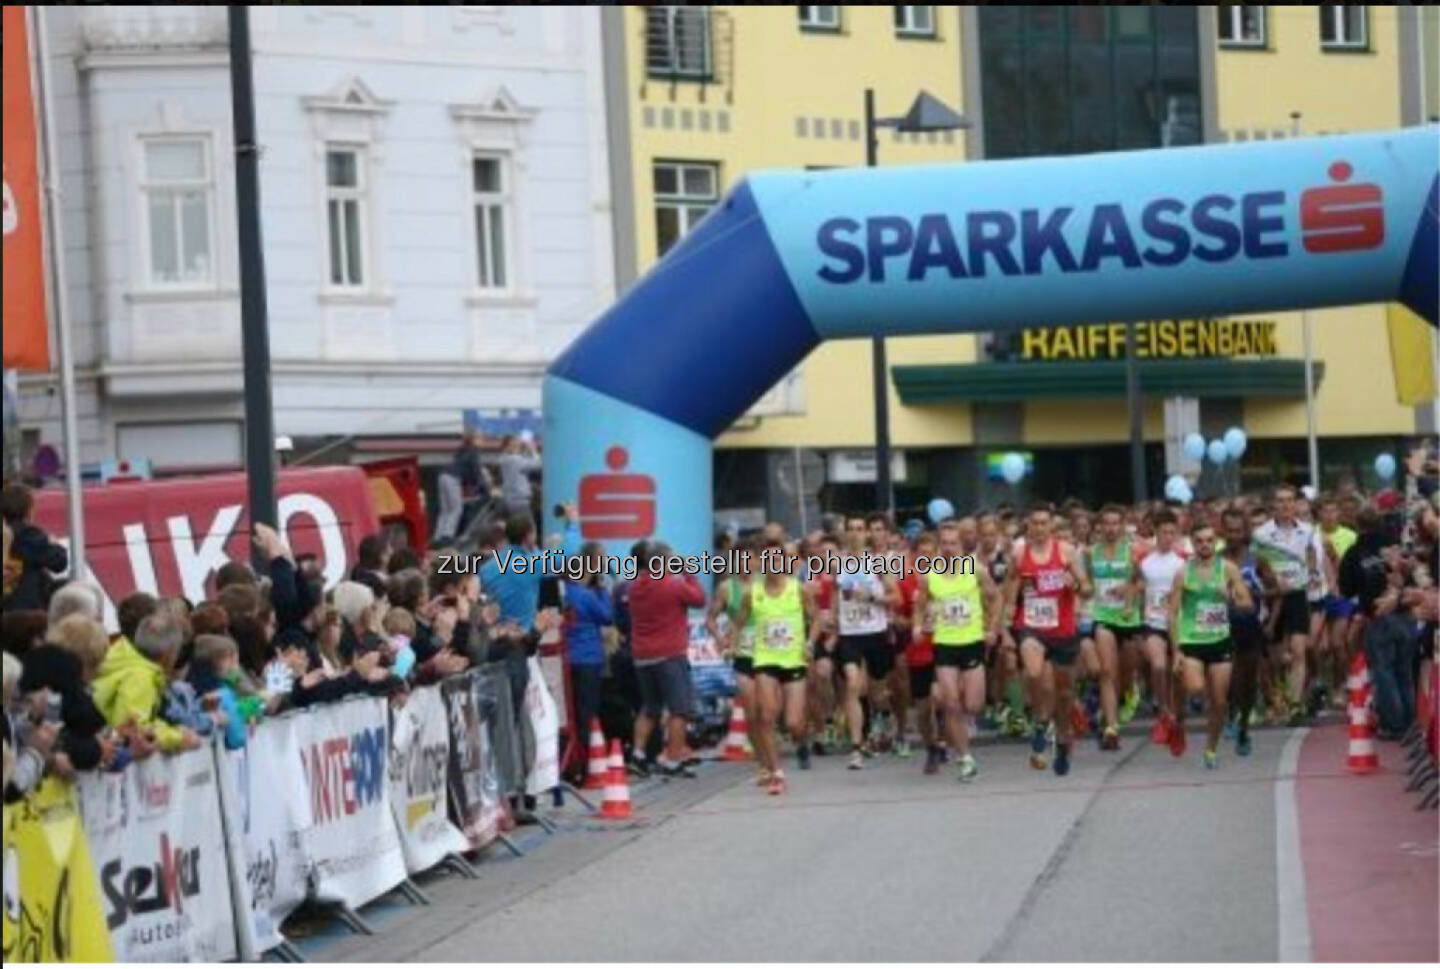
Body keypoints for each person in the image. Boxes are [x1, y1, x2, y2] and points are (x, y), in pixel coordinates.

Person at [1003, 505, 1091, 776]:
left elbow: (1087, 589)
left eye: (1044, 523)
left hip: (1062, 629)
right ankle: (1041, 720)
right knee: (1033, 671)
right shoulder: (1019, 555)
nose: (1039, 529)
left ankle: (1062, 740)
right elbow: (1008, 595)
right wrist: (1005, 629)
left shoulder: (1066, 552)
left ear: (1051, 526)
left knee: (1064, 693)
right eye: (1034, 524)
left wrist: (1073, 585)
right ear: (1027, 526)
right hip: (1031, 625)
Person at [915, 521, 1002, 781]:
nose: (949, 548)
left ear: (962, 546)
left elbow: (996, 598)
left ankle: (965, 727)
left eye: (954, 543)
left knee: (972, 704)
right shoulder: (929, 574)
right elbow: (920, 606)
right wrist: (918, 626)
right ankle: (965, 758)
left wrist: (993, 628)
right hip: (945, 643)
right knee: (950, 702)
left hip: (972, 640)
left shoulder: (975, 569)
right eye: (945, 543)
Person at [733, 538, 820, 794]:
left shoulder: (799, 589)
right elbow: (738, 623)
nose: (773, 564)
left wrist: (810, 644)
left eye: (777, 558)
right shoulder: (753, 593)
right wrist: (733, 645)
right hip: (765, 660)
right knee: (766, 715)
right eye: (767, 559)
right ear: (761, 563)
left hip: (793, 660)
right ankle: (776, 772)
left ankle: (801, 740)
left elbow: (815, 619)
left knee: (793, 722)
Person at [1168, 522, 1253, 768]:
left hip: (1220, 641)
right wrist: (1176, 651)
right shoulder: (1183, 573)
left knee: (1219, 701)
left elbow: (1248, 605)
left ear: (1215, 542)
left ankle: (1211, 749)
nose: (1204, 545)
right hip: (1192, 641)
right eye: (1199, 541)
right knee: (1195, 688)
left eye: (1209, 540)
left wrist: (1230, 598)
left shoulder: (1227, 569)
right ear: (1193, 544)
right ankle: (1183, 717)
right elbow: (1172, 614)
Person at [627, 542, 706, 776]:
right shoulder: (672, 585)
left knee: (650, 708)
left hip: (642, 656)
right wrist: (689, 574)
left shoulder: (634, 588)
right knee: (679, 710)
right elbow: (700, 600)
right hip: (670, 655)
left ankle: (638, 754)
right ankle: (672, 758)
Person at [1339, 508, 1414, 738]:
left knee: (1383, 671)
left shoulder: (1354, 553)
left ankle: (1394, 724)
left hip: (1377, 616)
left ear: (1357, 525)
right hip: (1405, 613)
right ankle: (1410, 722)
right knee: (1404, 671)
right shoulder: (1396, 547)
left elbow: (1346, 588)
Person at [835, 515, 899, 769]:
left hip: (876, 632)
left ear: (867, 535)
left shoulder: (880, 562)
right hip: (850, 634)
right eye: (851, 529)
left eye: (860, 529)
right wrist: (832, 622)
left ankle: (884, 714)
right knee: (853, 685)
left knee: (878, 691)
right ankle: (856, 746)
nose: (855, 534)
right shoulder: (836, 562)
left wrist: (871, 596)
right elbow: (834, 595)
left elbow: (894, 597)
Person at [1252, 485, 1319, 725]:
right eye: (1280, 501)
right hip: (1273, 597)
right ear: (1273, 506)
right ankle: (1278, 696)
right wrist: (1271, 578)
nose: (1285, 506)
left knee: (1300, 650)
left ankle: (1294, 704)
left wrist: (1311, 574)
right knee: (1278, 657)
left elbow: (1312, 556)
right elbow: (1257, 565)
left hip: (1298, 595)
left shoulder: (1309, 530)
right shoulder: (1262, 534)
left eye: (1289, 501)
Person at [93, 610, 202, 756]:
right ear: (169, 654)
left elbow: (142, 719)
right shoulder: (140, 677)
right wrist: (178, 738)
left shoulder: (125, 662)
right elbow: (133, 729)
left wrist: (172, 730)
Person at [1089, 504, 1143, 750]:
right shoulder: (1090, 553)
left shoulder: (1132, 552)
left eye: (1115, 523)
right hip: (1103, 617)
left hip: (1129, 619)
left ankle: (1125, 696)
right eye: (1106, 523)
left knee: (1125, 672)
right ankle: (1111, 727)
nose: (1110, 528)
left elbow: (1144, 583)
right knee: (1107, 672)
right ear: (1099, 527)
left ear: (1122, 526)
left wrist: (1128, 589)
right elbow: (1085, 585)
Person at [706, 538, 760, 776]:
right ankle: (754, 738)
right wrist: (719, 638)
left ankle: (766, 733)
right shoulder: (727, 588)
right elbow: (710, 619)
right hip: (742, 650)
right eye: (741, 560)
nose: (746, 565)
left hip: (771, 649)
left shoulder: (767, 583)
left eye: (750, 559)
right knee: (749, 698)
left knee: (768, 704)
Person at [1134, 508, 1187, 751]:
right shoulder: (1144, 561)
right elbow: (1136, 590)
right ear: (1155, 532)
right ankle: (1163, 711)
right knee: (1158, 665)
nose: (1168, 536)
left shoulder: (1183, 562)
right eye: (1163, 532)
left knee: (1178, 675)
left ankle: (1177, 714)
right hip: (1152, 623)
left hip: (1177, 624)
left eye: (1171, 532)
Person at [562, 541, 614, 784]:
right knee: (587, 713)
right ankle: (586, 764)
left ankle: (571, 763)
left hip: (566, 660)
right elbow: (606, 617)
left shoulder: (564, 594)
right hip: (589, 658)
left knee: (569, 713)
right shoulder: (588, 596)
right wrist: (602, 590)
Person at [895, 531, 942, 774]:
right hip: (918, 651)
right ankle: (931, 746)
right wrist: (905, 623)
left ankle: (943, 735)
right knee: (923, 709)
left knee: (941, 695)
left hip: (944, 646)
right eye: (922, 554)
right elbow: (898, 613)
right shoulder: (907, 581)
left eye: (931, 554)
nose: (927, 558)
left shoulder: (948, 578)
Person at [1, 482, 68, 612]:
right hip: (24, 612)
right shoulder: (28, 534)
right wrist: (54, 544)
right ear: (28, 509)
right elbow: (59, 563)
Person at [495, 433, 542, 518]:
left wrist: (525, 451)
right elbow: (538, 465)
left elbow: (522, 460)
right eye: (516, 445)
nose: (518, 447)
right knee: (527, 528)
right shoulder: (515, 460)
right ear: (509, 446)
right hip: (520, 500)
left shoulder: (503, 459)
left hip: (509, 499)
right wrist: (533, 450)